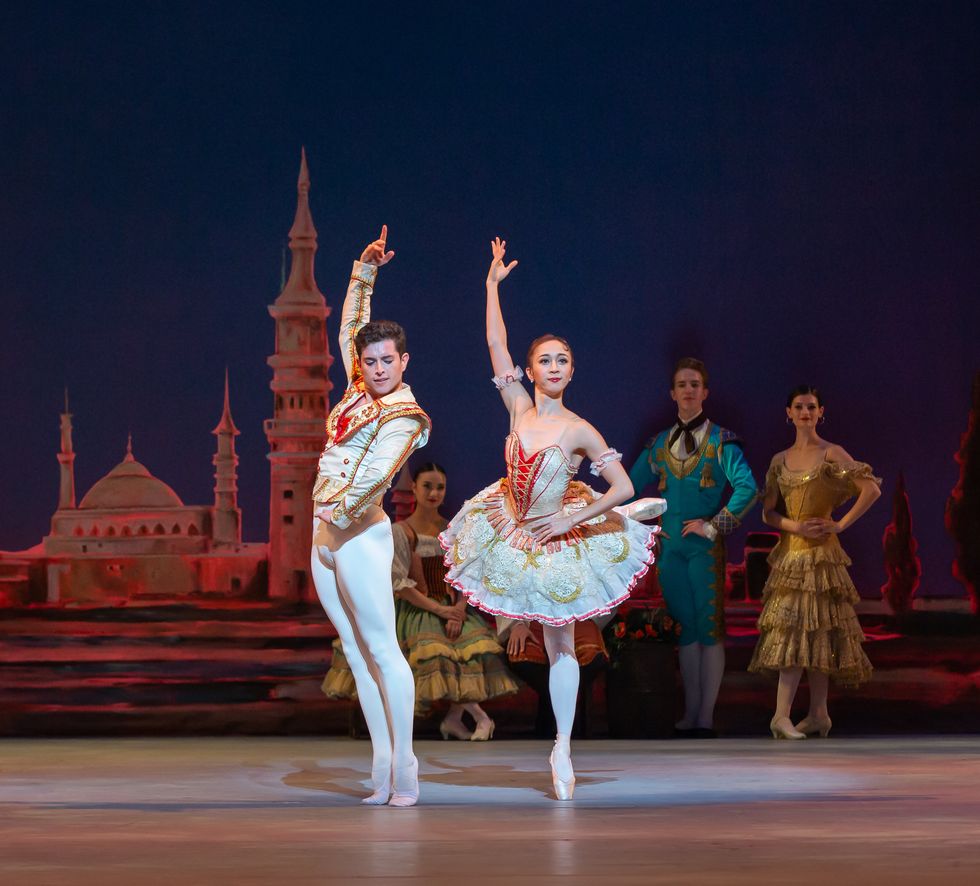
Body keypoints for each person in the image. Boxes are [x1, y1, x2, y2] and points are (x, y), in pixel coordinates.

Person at [441, 237, 664, 800]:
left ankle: (562, 745)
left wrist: (576, 518)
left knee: (562, 645)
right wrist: (491, 286)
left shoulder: (579, 428)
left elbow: (623, 484)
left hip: (557, 534)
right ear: (532, 371)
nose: (555, 366)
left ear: (572, 370)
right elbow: (495, 341)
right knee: (511, 626)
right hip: (508, 526)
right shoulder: (517, 405)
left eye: (563, 359)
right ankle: (544, 699)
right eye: (545, 359)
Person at [310, 226, 431, 807]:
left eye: (387, 360)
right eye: (370, 360)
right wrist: (365, 270)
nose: (377, 368)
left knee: (384, 650)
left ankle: (407, 764)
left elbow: (373, 479)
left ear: (403, 362)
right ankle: (381, 762)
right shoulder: (358, 390)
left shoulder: (406, 415)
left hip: (359, 535)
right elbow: (350, 329)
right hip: (323, 539)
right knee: (355, 653)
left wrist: (330, 513)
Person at [323, 462, 520, 740]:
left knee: (467, 652)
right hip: (418, 608)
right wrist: (441, 611)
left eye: (440, 487)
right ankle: (481, 717)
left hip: (452, 605)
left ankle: (453, 719)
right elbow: (400, 583)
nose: (434, 493)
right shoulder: (400, 531)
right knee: (436, 651)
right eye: (427, 486)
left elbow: (464, 574)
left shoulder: (452, 529)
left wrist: (459, 610)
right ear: (413, 488)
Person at [628, 358, 758, 737]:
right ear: (673, 393)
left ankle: (706, 716)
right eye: (682, 384)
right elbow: (629, 488)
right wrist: (646, 527)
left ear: (705, 392)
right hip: (670, 550)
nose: (688, 390)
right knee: (685, 630)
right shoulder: (658, 445)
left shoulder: (722, 442)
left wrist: (714, 526)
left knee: (709, 628)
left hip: (704, 549)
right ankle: (691, 714)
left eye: (695, 384)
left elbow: (748, 488)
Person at [748, 385, 880, 739]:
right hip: (793, 555)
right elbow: (769, 513)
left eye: (811, 407)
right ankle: (780, 716)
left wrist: (839, 523)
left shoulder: (832, 452)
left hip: (823, 557)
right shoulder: (780, 460)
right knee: (793, 630)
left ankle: (819, 714)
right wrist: (795, 525)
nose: (805, 412)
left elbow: (871, 489)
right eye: (798, 407)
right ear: (788, 413)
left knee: (819, 633)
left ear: (821, 412)